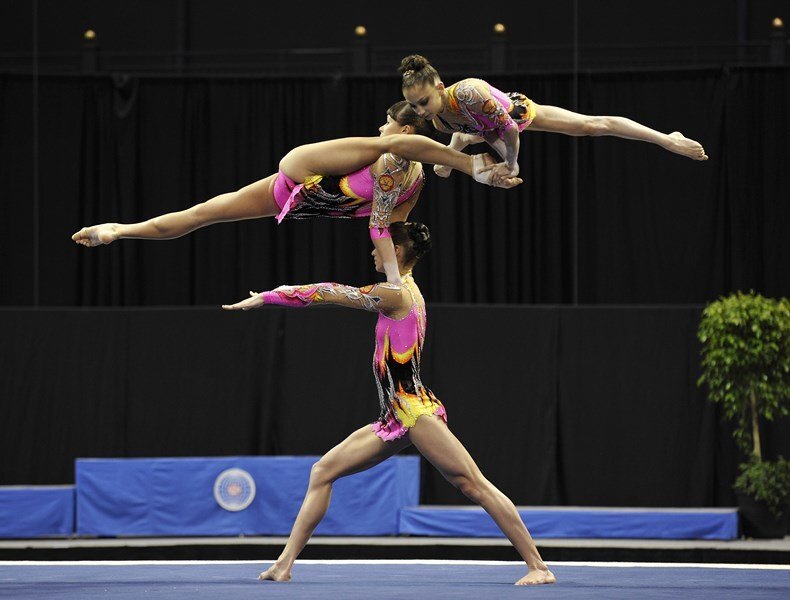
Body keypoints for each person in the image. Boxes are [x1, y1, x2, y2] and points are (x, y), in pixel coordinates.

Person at [222, 221, 556, 586]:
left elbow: (329, 292)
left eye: (377, 246)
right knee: (323, 471)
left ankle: (538, 566)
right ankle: (283, 565)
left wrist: (271, 296)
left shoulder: (397, 295)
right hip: (393, 418)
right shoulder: (401, 290)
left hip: (415, 414)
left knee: (473, 484)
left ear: (395, 252)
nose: (372, 252)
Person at [72, 101, 521, 284]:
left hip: (300, 196)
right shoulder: (392, 156)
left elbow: (391, 230)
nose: (380, 126)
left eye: (387, 121)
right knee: (202, 213)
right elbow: (381, 224)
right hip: (302, 170)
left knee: (202, 215)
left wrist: (402, 274)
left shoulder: (411, 178)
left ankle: (118, 231)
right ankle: (120, 229)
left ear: (404, 127)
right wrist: (393, 279)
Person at [399, 54, 708, 184]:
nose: (421, 111)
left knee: (592, 126)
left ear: (439, 87)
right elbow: (480, 130)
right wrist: (457, 155)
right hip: (485, 126)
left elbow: (508, 128)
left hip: (514, 114)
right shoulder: (439, 120)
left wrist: (510, 163)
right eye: (414, 106)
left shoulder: (470, 93)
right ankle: (457, 149)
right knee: (465, 140)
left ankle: (668, 139)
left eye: (424, 102)